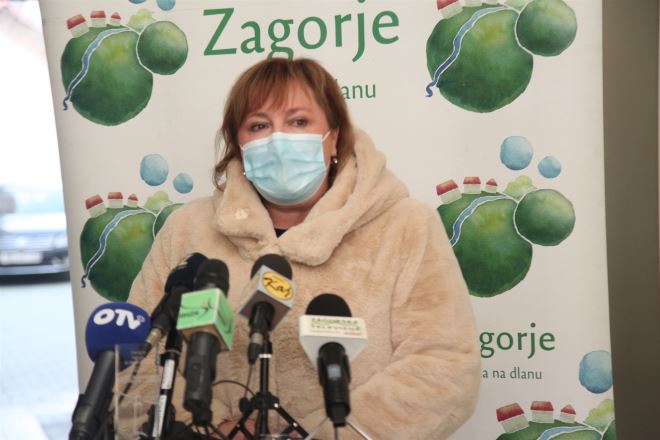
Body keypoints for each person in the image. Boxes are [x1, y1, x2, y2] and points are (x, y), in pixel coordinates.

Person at [129, 57, 480, 439]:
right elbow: (135, 356)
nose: (278, 140)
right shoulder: (188, 230)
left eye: (298, 122)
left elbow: (444, 367)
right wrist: (214, 427)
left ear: (334, 136)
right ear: (238, 145)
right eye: (259, 125)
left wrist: (321, 435)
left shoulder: (407, 226)